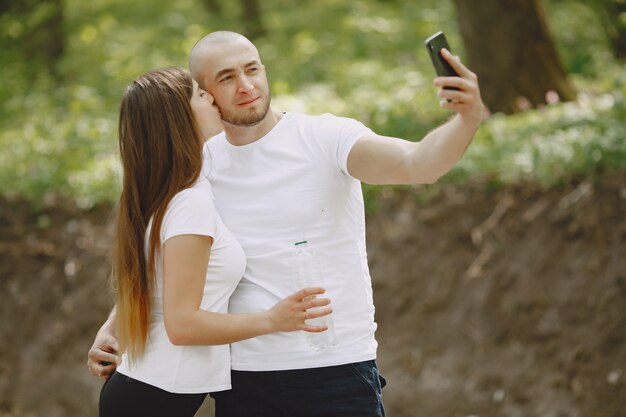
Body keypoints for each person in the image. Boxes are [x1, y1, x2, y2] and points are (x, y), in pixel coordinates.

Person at [88, 31, 485, 417]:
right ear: (204, 94)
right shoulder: (197, 166)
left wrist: (465, 120)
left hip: (336, 370)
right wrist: (115, 325)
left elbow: (418, 164)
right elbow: (166, 262)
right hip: (242, 381)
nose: (246, 86)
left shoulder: (324, 138)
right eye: (227, 78)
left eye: (252, 69)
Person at [96, 66, 332, 417]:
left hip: (146, 390)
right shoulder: (189, 202)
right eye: (200, 94)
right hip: (152, 395)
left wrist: (109, 329)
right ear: (179, 118)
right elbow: (182, 324)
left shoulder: (175, 191)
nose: (213, 98)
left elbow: (158, 281)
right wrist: (271, 320)